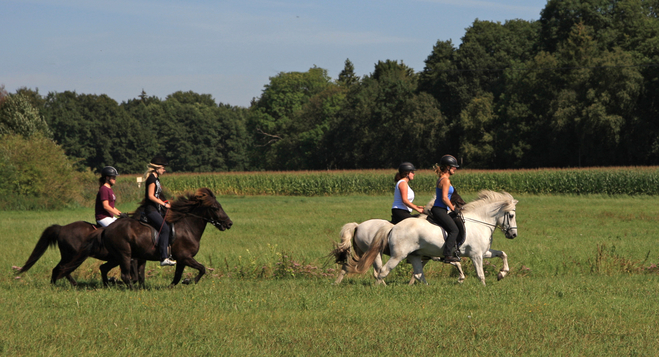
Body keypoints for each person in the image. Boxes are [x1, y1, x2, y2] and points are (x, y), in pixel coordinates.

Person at [143, 155, 176, 266]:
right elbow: (151, 196)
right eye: (163, 168)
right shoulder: (152, 179)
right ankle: (163, 257)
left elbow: (158, 195)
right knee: (165, 229)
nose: (164, 170)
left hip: (157, 208)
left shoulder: (156, 178)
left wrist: (166, 202)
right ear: (157, 168)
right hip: (151, 210)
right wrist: (164, 205)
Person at [431, 155, 461, 263]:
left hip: (440, 209)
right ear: (448, 167)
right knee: (454, 230)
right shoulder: (446, 180)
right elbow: (444, 197)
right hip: (440, 209)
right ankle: (447, 255)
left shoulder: (442, 179)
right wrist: (453, 209)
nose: (455, 169)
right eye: (453, 167)